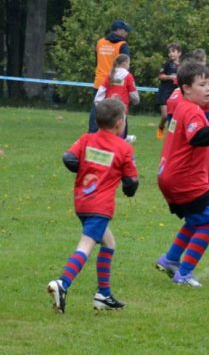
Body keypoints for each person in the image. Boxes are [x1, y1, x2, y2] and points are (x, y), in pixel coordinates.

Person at [155, 61, 209, 287]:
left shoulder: (183, 107)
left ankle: (170, 259)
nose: (208, 89)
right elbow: (198, 137)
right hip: (185, 179)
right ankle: (184, 274)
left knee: (195, 219)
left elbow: (196, 145)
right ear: (186, 88)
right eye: (202, 85)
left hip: (170, 175)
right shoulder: (192, 111)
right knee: (208, 222)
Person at [47, 99, 139, 313]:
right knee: (86, 245)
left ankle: (103, 295)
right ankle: (62, 283)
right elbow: (131, 182)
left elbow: (69, 158)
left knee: (109, 243)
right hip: (100, 206)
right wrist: (128, 189)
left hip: (82, 202)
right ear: (119, 123)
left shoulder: (86, 139)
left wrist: (87, 168)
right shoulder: (124, 147)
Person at [88, 20, 131, 133]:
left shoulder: (100, 42)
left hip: (99, 82)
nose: (126, 33)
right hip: (115, 84)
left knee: (97, 110)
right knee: (119, 110)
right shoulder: (123, 45)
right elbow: (125, 66)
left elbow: (97, 61)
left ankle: (92, 134)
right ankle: (121, 136)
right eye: (125, 31)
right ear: (119, 30)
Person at [94, 54, 140, 143]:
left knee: (107, 130)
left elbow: (101, 91)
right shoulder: (128, 76)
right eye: (129, 63)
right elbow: (134, 94)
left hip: (108, 108)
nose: (129, 66)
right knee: (120, 135)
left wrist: (99, 104)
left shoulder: (110, 75)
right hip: (121, 108)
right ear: (125, 64)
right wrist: (135, 101)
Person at [156, 42, 182, 140]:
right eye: (169, 52)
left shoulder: (182, 66)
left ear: (179, 53)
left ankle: (171, 134)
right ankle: (161, 128)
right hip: (164, 92)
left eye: (173, 51)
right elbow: (160, 76)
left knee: (174, 116)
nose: (171, 54)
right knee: (165, 115)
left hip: (175, 94)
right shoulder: (167, 64)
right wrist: (170, 77)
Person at [191, 49, 209, 116]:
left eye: (203, 61)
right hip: (196, 106)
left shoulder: (207, 72)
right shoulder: (193, 73)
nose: (202, 64)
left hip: (207, 105)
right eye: (199, 61)